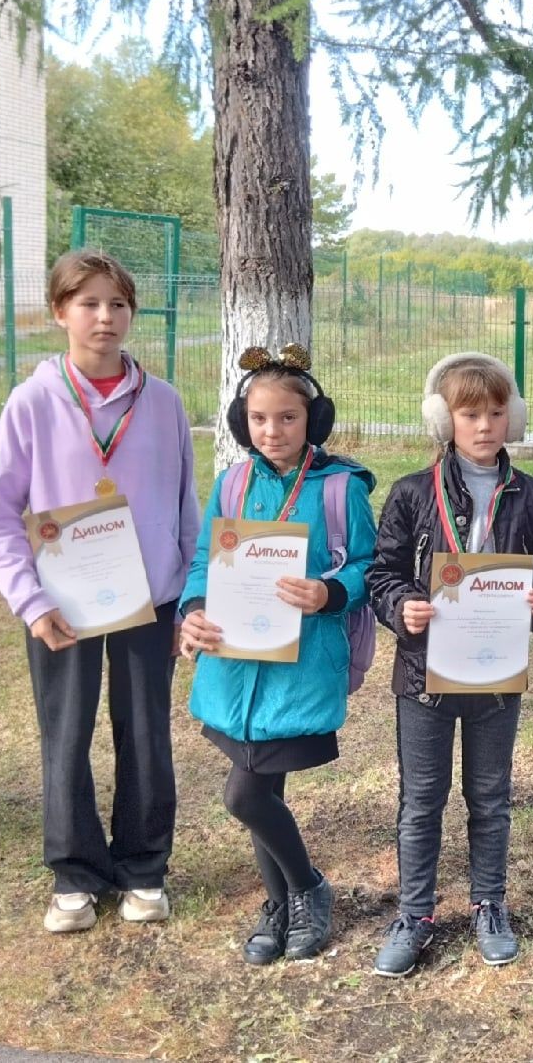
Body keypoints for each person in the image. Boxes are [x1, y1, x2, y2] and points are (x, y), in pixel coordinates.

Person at [0, 248, 199, 933]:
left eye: (118, 304)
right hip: (61, 607)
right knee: (65, 737)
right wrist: (30, 602)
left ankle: (143, 869)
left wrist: (186, 595)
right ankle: (74, 873)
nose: (105, 317)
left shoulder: (162, 403)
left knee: (146, 737)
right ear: (60, 313)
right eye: (89, 303)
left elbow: (188, 510)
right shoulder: (32, 402)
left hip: (147, 601)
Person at [367, 353, 533, 978]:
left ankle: (489, 903)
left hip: (496, 678)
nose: (484, 426)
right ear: (442, 419)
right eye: (469, 413)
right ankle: (416, 913)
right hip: (423, 678)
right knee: (422, 799)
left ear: (514, 420)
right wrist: (404, 608)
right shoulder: (408, 494)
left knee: (490, 795)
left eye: (496, 413)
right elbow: (381, 576)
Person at [178, 346, 376, 965]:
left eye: (288, 418)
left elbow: (372, 566)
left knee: (245, 795)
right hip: (234, 671)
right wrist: (192, 611)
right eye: (260, 419)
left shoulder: (342, 489)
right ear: (244, 422)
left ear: (312, 420)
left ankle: (309, 890)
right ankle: (283, 899)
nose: (273, 431)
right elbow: (200, 563)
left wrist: (328, 592)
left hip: (298, 670)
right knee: (263, 790)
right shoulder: (232, 484)